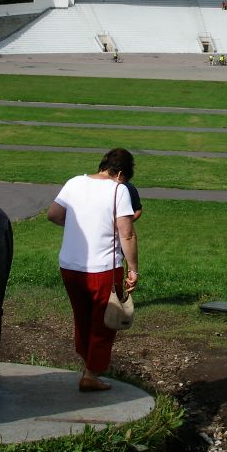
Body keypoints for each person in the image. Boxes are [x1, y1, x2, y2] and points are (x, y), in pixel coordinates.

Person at [48, 147, 139, 392]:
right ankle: (91, 373)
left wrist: (80, 225)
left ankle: (87, 362)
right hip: (103, 268)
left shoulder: (74, 182)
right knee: (105, 321)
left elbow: (54, 214)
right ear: (120, 174)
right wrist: (133, 269)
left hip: (70, 265)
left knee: (82, 317)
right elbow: (127, 234)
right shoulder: (118, 190)